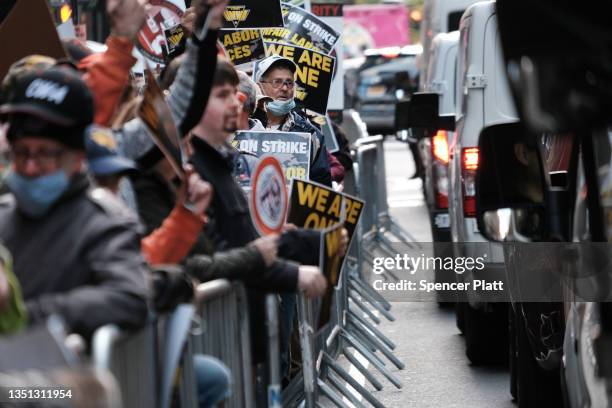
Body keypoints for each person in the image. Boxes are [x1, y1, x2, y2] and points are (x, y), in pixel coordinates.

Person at [0, 66, 149, 339]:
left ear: (78, 157)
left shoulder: (105, 224)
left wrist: (20, 312)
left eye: (46, 154)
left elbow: (129, 298)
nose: (31, 167)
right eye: (22, 153)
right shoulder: (3, 216)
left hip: (62, 380)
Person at [254, 55, 335, 186]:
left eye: (289, 83)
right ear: (260, 87)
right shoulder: (244, 126)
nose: (285, 88)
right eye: (277, 82)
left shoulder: (310, 134)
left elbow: (321, 187)